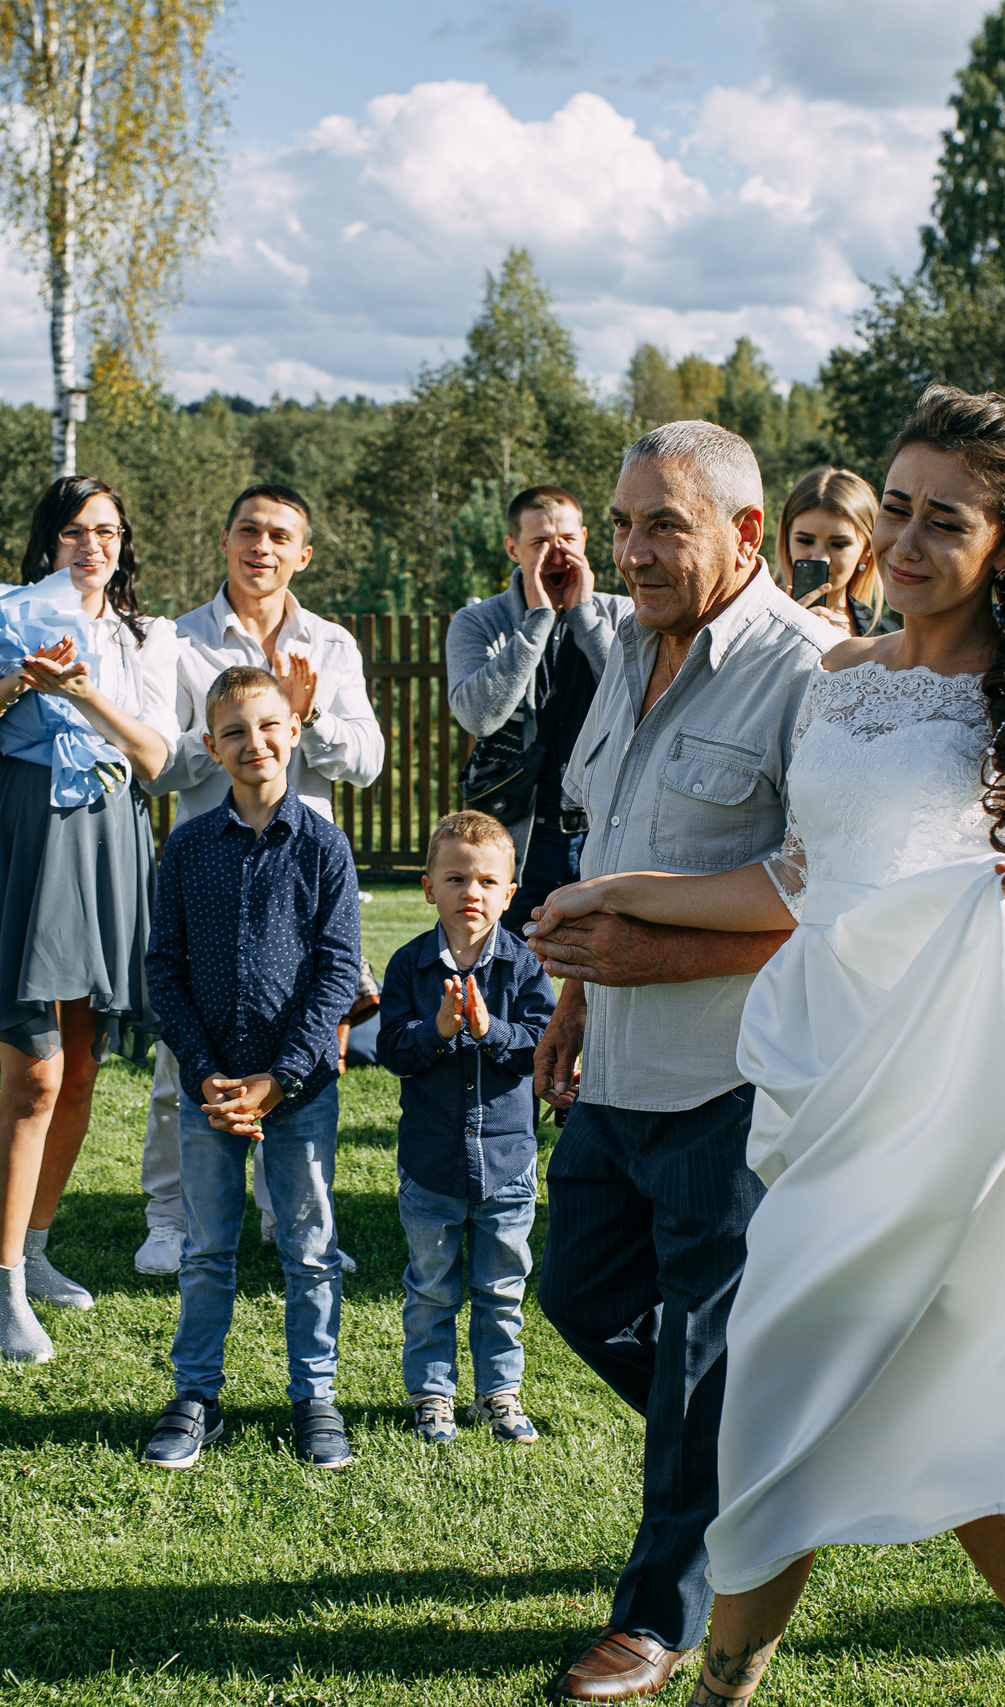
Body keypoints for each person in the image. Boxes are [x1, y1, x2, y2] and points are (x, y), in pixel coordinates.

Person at [526, 384, 1005, 1707]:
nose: (910, 538)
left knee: (788, 1380)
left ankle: (727, 1680)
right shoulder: (839, 678)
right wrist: (627, 892)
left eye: (948, 517)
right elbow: (801, 875)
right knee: (856, 1378)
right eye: (900, 507)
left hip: (956, 1083)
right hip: (826, 1077)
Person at [525, 420, 832, 1702]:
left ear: (745, 534)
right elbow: (613, 846)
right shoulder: (623, 652)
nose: (631, 551)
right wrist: (582, 1002)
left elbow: (830, 890)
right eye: (623, 524)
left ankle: (660, 1615)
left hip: (733, 1078)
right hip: (620, 1066)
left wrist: (659, 965)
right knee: (579, 1295)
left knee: (703, 1354)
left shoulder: (814, 671)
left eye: (665, 524)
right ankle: (774, 1465)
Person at [0, 475, 179, 1361]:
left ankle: (33, 1250)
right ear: (47, 542)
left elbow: (155, 758)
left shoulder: (142, 640)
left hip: (110, 841)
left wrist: (78, 693)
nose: (92, 546)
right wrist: (6, 690)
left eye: (107, 531)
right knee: (32, 1073)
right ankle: (0, 1291)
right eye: (74, 531)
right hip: (21, 842)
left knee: (82, 1067)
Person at [135, 485, 383, 1278]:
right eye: (249, 530)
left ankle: (292, 1218)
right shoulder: (176, 642)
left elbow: (370, 761)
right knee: (184, 1059)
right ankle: (172, 1219)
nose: (262, 546)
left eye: (281, 535)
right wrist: (234, 734)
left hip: (297, 875)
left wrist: (301, 719)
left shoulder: (332, 644)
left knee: (300, 1043)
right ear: (225, 538)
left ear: (303, 553)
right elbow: (160, 760)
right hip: (204, 865)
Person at [140, 665, 364, 1472]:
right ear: (212, 746)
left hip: (297, 1088)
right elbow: (164, 967)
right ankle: (196, 1393)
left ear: (293, 731)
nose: (253, 743)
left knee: (309, 1245)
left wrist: (281, 1075)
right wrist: (205, 1074)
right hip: (210, 1087)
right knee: (206, 1248)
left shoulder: (325, 845)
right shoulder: (190, 845)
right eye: (233, 731)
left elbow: (339, 970)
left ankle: (316, 1395)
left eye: (268, 726)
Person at [376, 810, 557, 1446]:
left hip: (507, 1159)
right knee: (431, 1287)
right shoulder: (408, 967)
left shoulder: (525, 967)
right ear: (429, 887)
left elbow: (540, 1047)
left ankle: (499, 1394)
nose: (470, 893)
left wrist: (488, 1029)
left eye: (486, 882)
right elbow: (393, 1050)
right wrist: (439, 1031)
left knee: (501, 1286)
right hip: (431, 1161)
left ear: (509, 894)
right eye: (455, 878)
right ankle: (432, 1395)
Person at [445, 485, 632, 940]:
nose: (557, 554)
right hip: (517, 833)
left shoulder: (623, 613)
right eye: (540, 543)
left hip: (604, 828)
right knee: (502, 976)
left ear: (586, 539)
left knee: (598, 991)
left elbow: (639, 698)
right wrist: (537, 621)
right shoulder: (477, 622)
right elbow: (478, 717)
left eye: (567, 539)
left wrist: (585, 619)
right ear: (513, 548)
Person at [776, 466, 896, 641]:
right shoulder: (753, 617)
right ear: (786, 542)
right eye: (805, 541)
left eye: (839, 544)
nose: (820, 557)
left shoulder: (886, 635)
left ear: (866, 551)